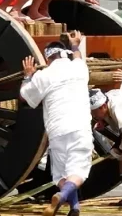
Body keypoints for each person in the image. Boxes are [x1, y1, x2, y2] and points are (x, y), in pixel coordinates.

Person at [21, 32, 93, 216]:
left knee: (61, 173)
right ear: (64, 54)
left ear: (48, 58)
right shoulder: (79, 68)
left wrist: (28, 76)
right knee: (79, 171)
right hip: (79, 126)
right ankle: (63, 196)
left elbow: (26, 97)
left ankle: (74, 207)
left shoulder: (44, 75)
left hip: (57, 129)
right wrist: (75, 44)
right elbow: (78, 56)